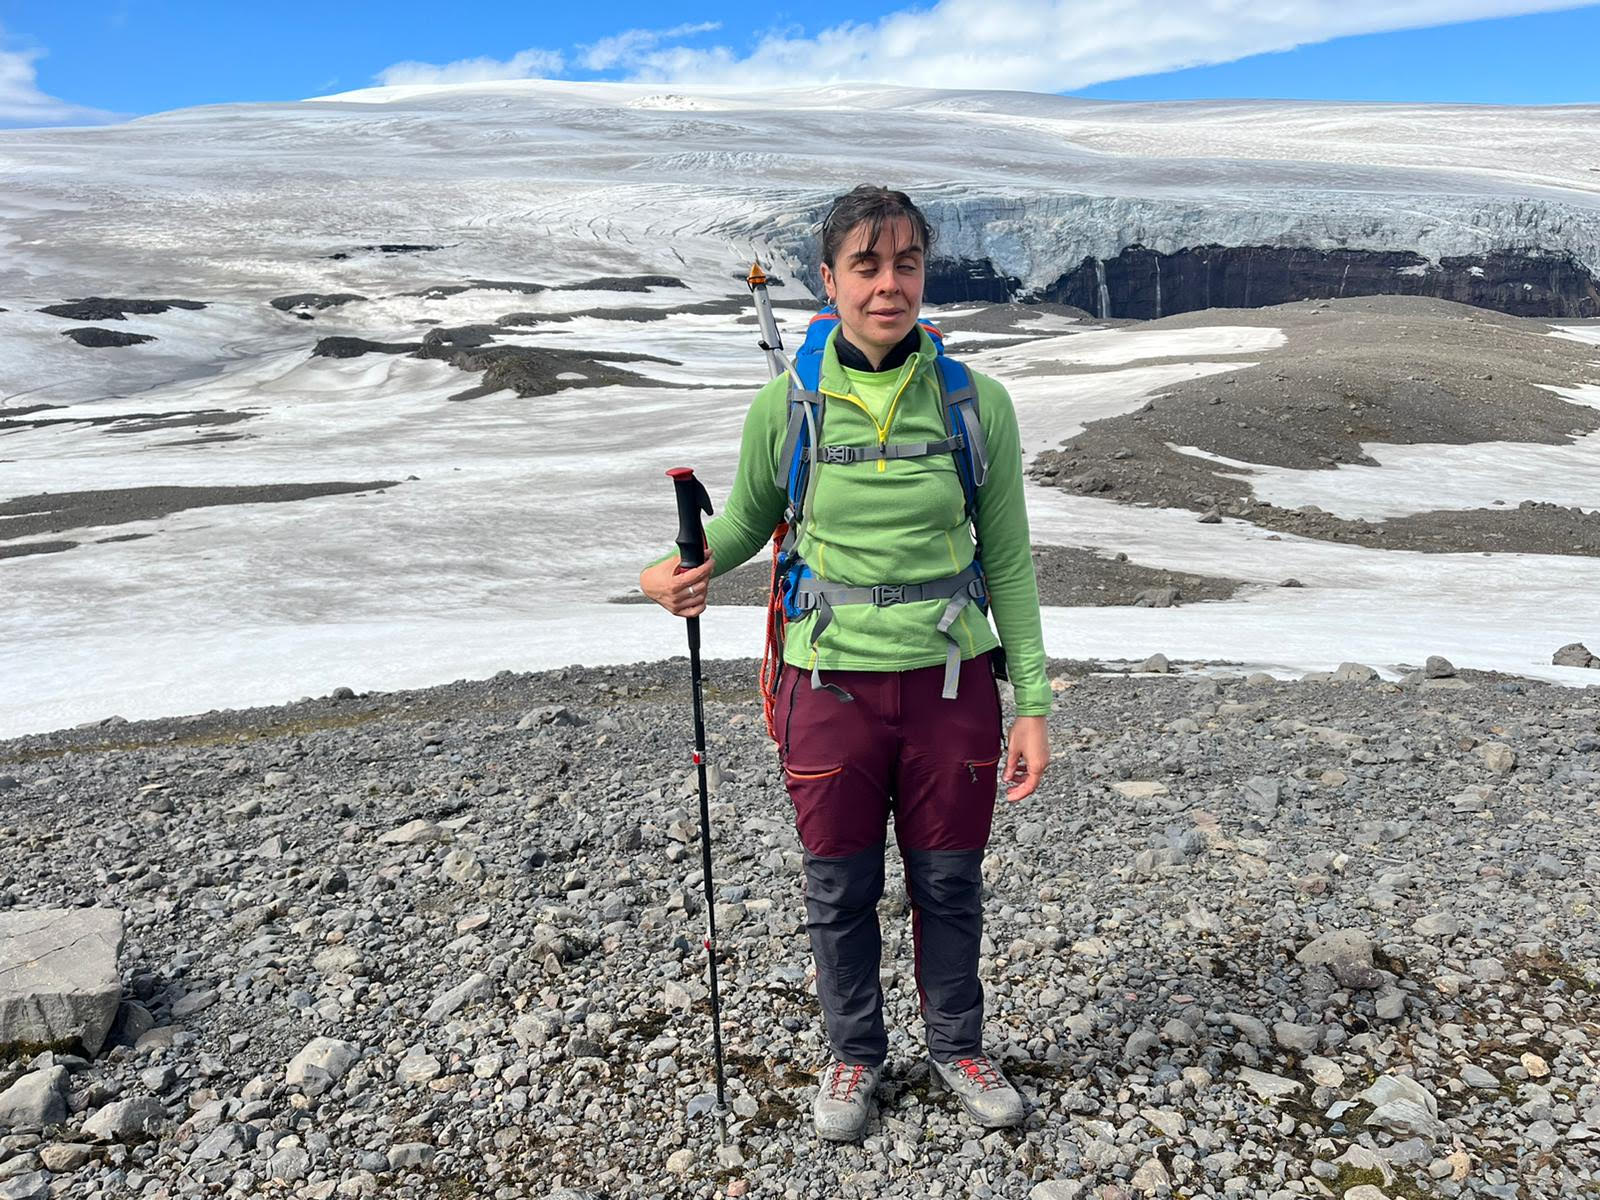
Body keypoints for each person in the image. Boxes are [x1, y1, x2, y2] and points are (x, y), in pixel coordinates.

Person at [640, 185, 1051, 1142]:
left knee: (949, 880)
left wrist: (1030, 700)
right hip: (826, 687)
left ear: (923, 275)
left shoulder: (975, 405)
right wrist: (676, 572)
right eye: (866, 266)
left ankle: (957, 1045)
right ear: (829, 281)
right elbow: (744, 522)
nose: (888, 285)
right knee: (841, 887)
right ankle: (855, 1055)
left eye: (905, 263)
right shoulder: (787, 406)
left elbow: (1010, 561)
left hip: (952, 687)